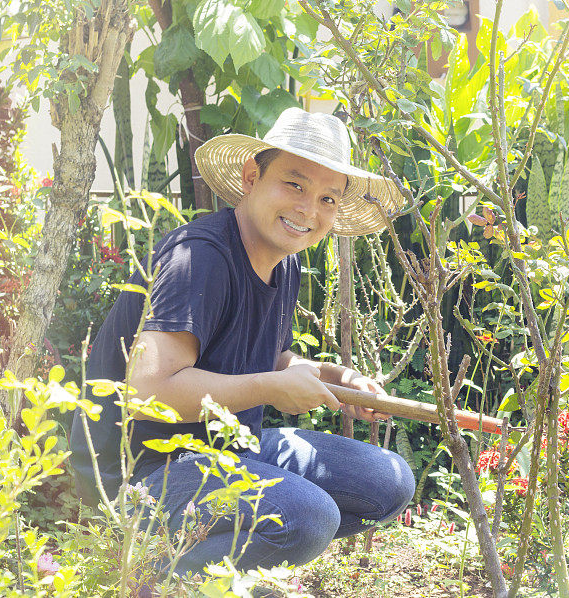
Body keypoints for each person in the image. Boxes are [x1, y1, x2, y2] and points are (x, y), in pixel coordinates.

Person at [69, 107, 415, 573]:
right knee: (307, 516)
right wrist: (272, 389)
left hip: (228, 448)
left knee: (388, 481)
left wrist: (332, 375)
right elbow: (148, 394)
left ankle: (230, 567)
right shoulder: (199, 259)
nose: (308, 210)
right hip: (140, 473)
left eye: (328, 199)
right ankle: (150, 573)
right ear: (252, 176)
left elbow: (261, 355)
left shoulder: (283, 259)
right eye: (294, 185)